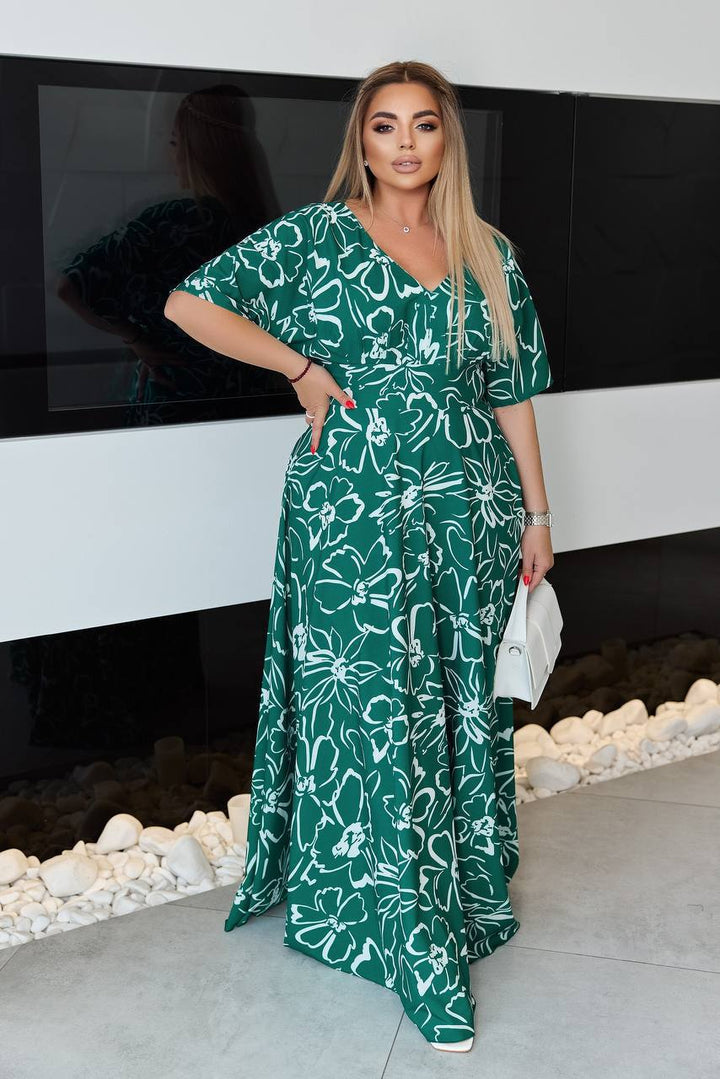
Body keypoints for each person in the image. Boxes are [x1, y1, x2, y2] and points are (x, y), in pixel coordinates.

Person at [164, 59, 554, 1053]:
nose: (406, 143)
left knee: (457, 699)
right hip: (351, 515)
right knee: (373, 706)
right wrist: (299, 366)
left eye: (424, 124)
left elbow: (513, 391)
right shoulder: (318, 237)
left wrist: (538, 514)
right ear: (363, 140)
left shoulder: (488, 252)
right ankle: (408, 937)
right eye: (386, 125)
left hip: (469, 509)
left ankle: (458, 892)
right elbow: (189, 304)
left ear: (446, 137)